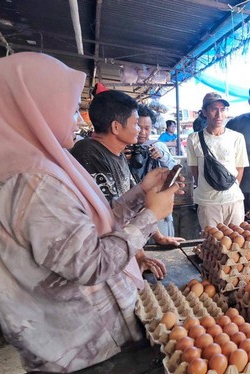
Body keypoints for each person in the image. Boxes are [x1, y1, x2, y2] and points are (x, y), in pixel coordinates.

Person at [0, 52, 180, 373]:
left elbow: (81, 229)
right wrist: (149, 217)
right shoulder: (30, 182)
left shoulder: (27, 168)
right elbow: (91, 264)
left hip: (79, 340)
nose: (80, 121)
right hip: (86, 348)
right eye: (71, 110)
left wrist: (141, 194)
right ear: (32, 109)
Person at [70, 90, 181, 280]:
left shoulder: (117, 153)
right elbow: (109, 219)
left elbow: (129, 204)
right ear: (116, 127)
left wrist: (157, 236)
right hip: (100, 264)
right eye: (135, 124)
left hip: (118, 253)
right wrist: (138, 255)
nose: (139, 130)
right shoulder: (88, 152)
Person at [187, 93, 249, 228]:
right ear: (204, 111)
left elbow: (240, 168)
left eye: (223, 109)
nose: (219, 114)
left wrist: (227, 188)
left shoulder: (237, 138)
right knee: (212, 244)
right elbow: (195, 170)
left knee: (235, 243)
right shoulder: (194, 139)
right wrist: (208, 187)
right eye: (214, 109)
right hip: (207, 203)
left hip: (234, 200)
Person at [127, 104, 178, 238]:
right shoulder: (124, 147)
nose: (142, 132)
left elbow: (174, 168)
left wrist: (162, 155)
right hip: (132, 212)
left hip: (158, 209)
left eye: (147, 128)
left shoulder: (158, 146)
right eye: (138, 127)